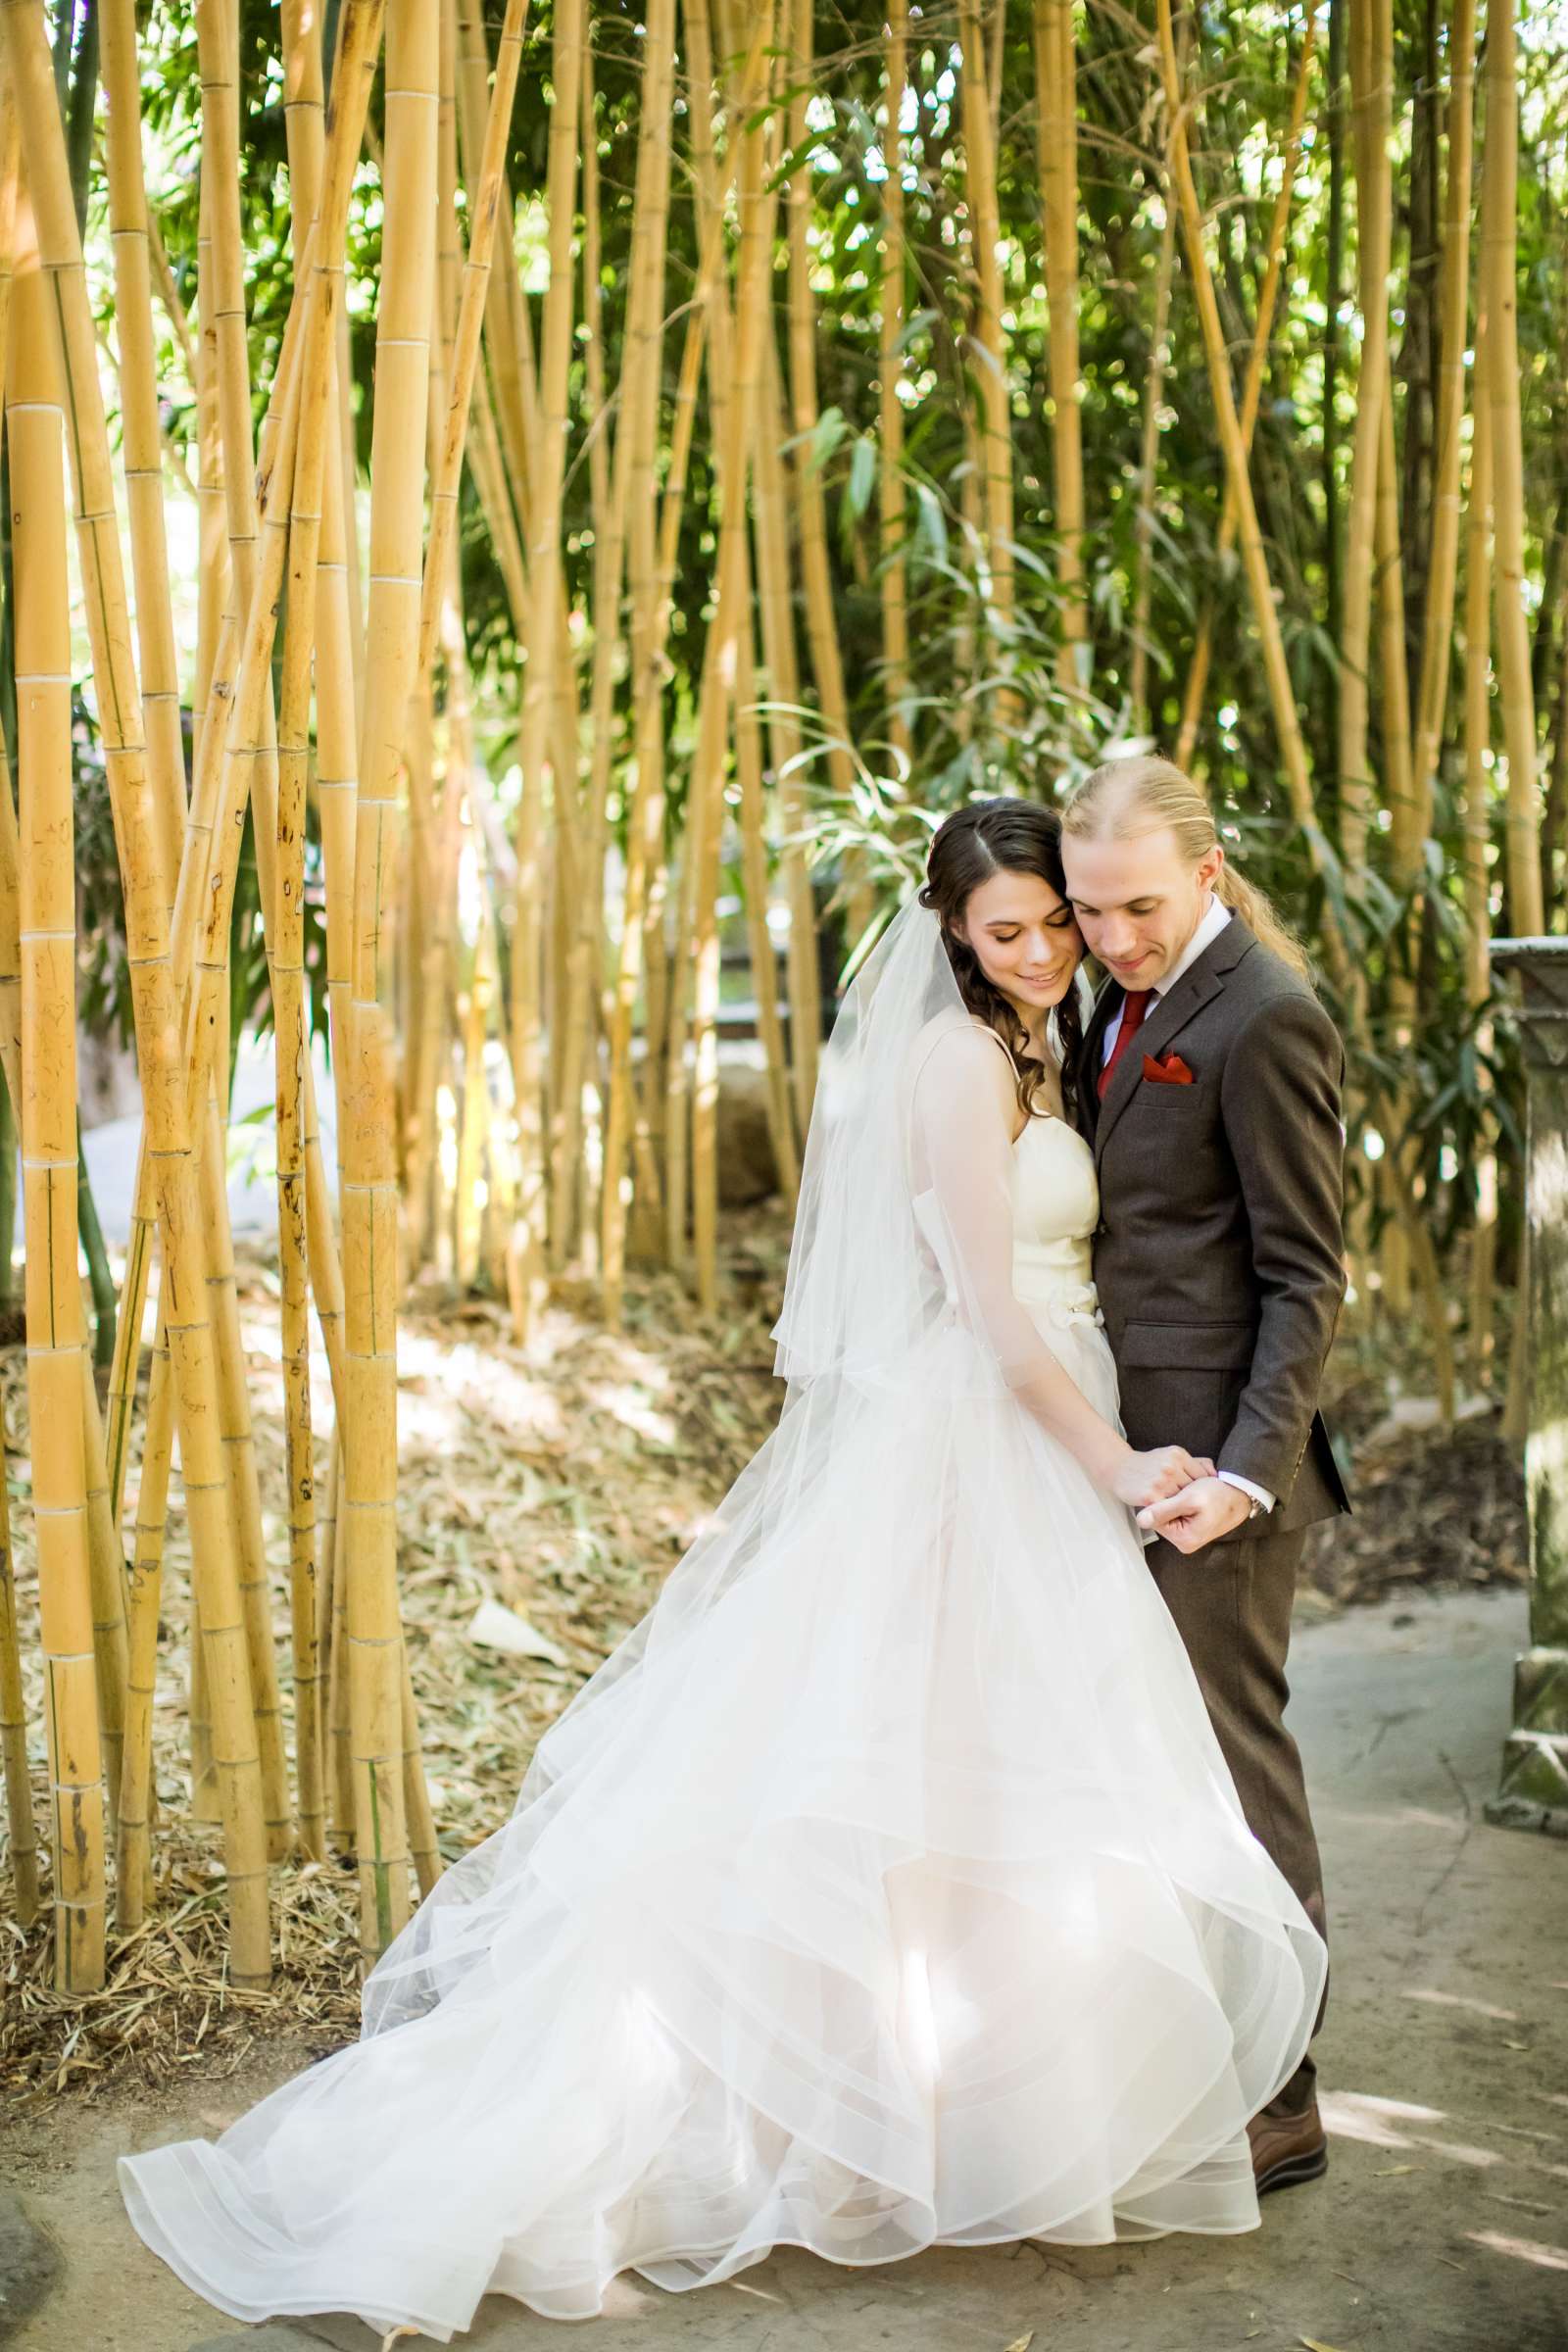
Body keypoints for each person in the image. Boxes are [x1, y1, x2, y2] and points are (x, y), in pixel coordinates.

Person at [118, 799, 1326, 2339]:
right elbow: (989, 1312)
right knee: (898, 1775)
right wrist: (1112, 1465)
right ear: (951, 938)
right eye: (1007, 930)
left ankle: (962, 2098)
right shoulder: (959, 1060)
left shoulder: (1061, 1033)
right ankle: (846, 2109)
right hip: (998, 1435)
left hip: (1059, 1436)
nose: (1045, 951)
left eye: (1057, 922)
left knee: (994, 1775)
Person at [1059, 755, 1350, 2197]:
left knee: (1235, 1773)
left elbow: (1306, 1279)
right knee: (1131, 1770)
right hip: (1113, 1451)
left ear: (1211, 875)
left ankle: (1283, 2092)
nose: (1113, 938)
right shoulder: (1112, 1005)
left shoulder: (1268, 1019)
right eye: (1090, 908)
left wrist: (1243, 1477)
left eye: (1141, 908)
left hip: (1216, 1478)